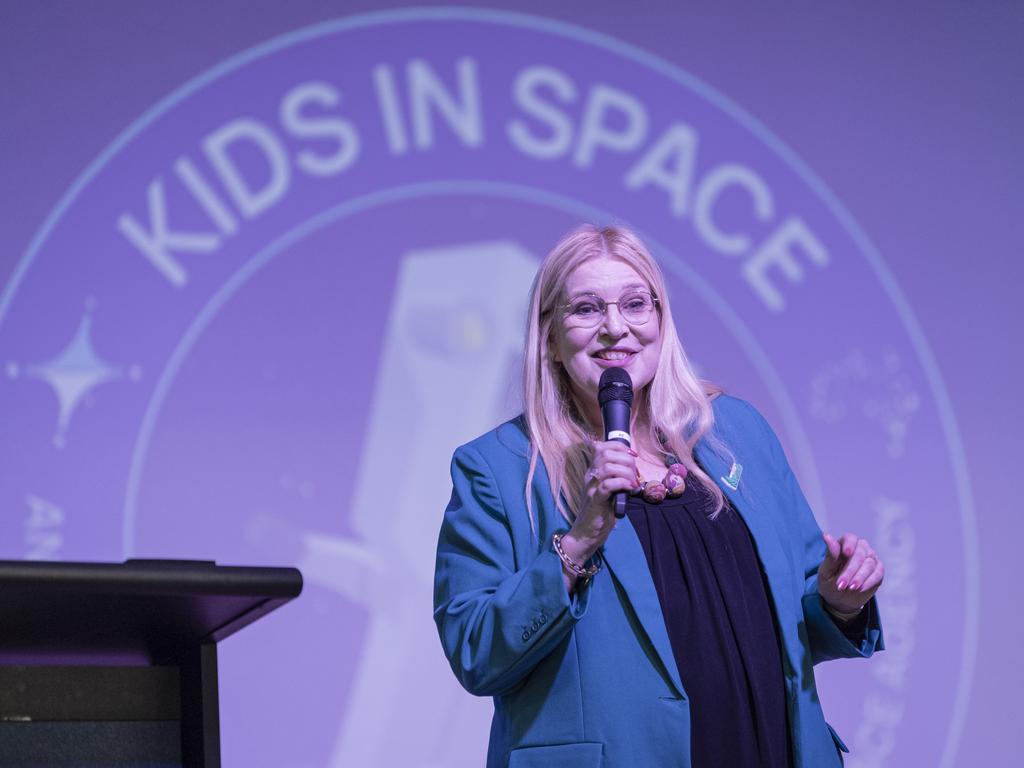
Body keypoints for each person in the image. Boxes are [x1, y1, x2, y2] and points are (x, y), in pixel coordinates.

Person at [433, 224, 884, 767]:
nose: (615, 329)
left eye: (635, 304)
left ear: (662, 319)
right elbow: (477, 653)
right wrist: (578, 544)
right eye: (586, 309)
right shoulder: (498, 467)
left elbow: (795, 620)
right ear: (549, 336)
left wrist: (838, 601)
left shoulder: (736, 432)